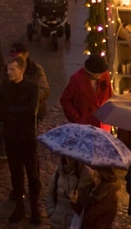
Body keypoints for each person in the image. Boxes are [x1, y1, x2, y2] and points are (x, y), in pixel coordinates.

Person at [0, 56, 41, 223]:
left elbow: (31, 110)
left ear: (21, 70)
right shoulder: (4, 89)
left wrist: (12, 111)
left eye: (12, 69)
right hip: (11, 138)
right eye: (8, 69)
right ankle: (20, 208)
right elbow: (2, 112)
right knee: (15, 174)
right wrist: (17, 112)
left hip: (27, 138)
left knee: (32, 174)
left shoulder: (32, 88)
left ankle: (35, 209)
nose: (9, 72)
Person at [60, 52, 113, 131]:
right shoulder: (77, 80)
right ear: (90, 72)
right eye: (98, 74)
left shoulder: (104, 74)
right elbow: (65, 100)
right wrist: (76, 117)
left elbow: (109, 95)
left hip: (103, 123)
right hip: (85, 123)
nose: (101, 76)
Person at [45, 156, 94, 229]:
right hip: (56, 220)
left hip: (74, 222)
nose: (68, 159)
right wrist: (51, 212)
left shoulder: (86, 173)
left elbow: (88, 202)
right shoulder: (59, 170)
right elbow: (50, 192)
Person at [8, 42, 50, 125]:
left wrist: (30, 98)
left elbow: (45, 90)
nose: (14, 58)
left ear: (26, 55)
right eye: (13, 55)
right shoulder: (9, 69)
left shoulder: (35, 69)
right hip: (13, 107)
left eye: (17, 55)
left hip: (34, 108)